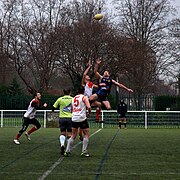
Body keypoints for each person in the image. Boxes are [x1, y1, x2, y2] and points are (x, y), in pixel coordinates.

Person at [64, 86, 91, 157]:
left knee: (73, 135)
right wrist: (89, 113)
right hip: (82, 118)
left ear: (77, 91)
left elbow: (71, 109)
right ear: (84, 91)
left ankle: (67, 151)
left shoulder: (73, 98)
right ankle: (84, 151)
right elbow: (88, 106)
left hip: (74, 118)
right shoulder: (84, 97)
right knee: (86, 134)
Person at [78, 60, 101, 141]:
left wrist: (102, 83)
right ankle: (80, 134)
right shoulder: (84, 84)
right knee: (82, 120)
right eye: (87, 76)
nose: (88, 76)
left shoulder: (91, 84)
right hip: (85, 100)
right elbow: (84, 74)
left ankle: (97, 118)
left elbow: (98, 87)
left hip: (90, 100)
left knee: (99, 105)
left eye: (88, 76)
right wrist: (89, 66)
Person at [52, 88, 73, 155]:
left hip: (62, 118)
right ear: (70, 92)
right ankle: (68, 149)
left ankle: (62, 145)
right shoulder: (73, 99)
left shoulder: (60, 99)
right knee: (70, 134)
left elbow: (53, 107)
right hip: (70, 118)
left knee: (62, 132)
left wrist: (54, 111)